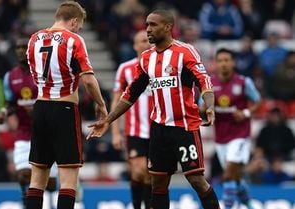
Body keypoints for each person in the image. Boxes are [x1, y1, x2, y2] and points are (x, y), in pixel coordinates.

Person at [88, 10, 220, 209]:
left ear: (168, 27)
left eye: (153, 25)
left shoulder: (185, 52)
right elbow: (131, 93)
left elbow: (204, 81)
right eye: (146, 25)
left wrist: (209, 105)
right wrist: (109, 119)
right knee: (157, 183)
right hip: (159, 129)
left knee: (196, 180)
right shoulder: (147, 58)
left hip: (184, 127)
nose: (147, 29)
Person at [25, 1, 108, 209]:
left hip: (41, 108)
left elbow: (35, 74)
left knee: (37, 178)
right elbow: (88, 80)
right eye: (78, 26)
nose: (79, 29)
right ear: (74, 21)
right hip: (64, 109)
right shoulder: (74, 40)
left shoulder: (33, 39)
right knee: (69, 177)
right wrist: (101, 104)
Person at [0, 38, 57, 207]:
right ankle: (29, 204)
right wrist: (4, 112)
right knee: (23, 175)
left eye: (24, 47)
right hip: (24, 133)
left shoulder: (44, 73)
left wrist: (40, 109)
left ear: (32, 50)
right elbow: (11, 103)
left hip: (46, 133)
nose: (20, 50)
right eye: (17, 47)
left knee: (51, 184)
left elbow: (56, 98)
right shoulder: (10, 77)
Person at [205, 48, 261, 209]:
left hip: (239, 135)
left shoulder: (244, 82)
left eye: (227, 60)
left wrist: (245, 112)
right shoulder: (210, 84)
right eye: (220, 60)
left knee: (228, 175)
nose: (224, 64)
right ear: (215, 63)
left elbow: (258, 102)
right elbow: (202, 107)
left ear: (233, 62)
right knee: (236, 178)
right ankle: (249, 205)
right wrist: (206, 109)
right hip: (221, 137)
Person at [110, 30, 152, 209]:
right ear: (135, 46)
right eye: (141, 41)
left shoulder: (161, 67)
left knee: (152, 175)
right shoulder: (125, 69)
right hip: (135, 130)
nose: (146, 44)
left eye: (148, 40)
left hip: (158, 130)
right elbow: (116, 101)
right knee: (138, 170)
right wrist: (115, 133)